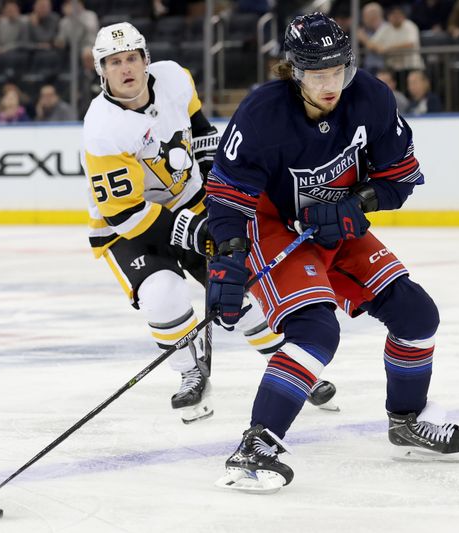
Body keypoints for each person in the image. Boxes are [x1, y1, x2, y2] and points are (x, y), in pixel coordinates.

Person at [206, 12, 459, 494]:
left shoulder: (370, 97)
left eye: (338, 71)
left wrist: (359, 203)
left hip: (340, 229)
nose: (330, 84)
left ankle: (407, 419)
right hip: (277, 229)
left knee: (418, 317)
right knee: (315, 331)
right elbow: (227, 198)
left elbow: (400, 179)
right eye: (316, 73)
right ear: (293, 70)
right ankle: (257, 443)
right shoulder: (261, 114)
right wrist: (228, 258)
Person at [81, 22, 338, 424]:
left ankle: (286, 362)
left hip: (191, 201)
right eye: (114, 62)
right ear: (102, 71)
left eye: (132, 57)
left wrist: (209, 172)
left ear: (146, 59)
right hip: (129, 228)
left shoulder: (173, 77)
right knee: (163, 293)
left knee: (240, 284)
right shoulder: (103, 129)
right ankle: (189, 370)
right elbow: (124, 212)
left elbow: (199, 127)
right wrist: (192, 230)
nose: (125, 68)